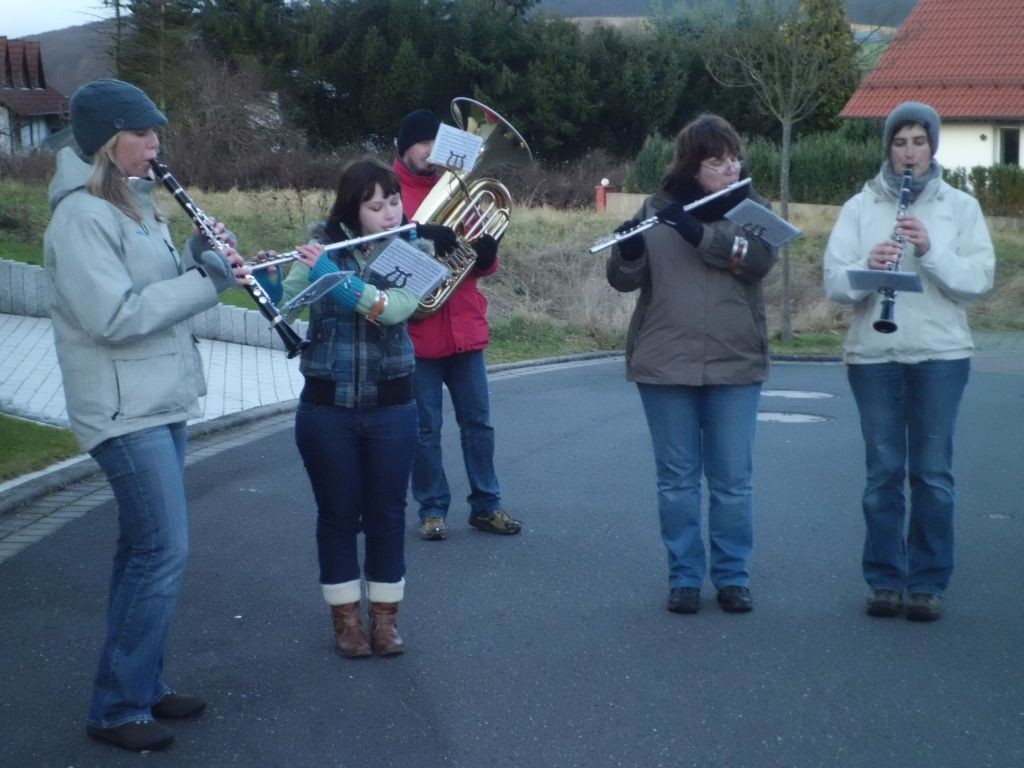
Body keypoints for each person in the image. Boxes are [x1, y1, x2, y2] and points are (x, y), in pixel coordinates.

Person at [43, 79, 250, 752]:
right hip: (122, 408)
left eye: (156, 132)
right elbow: (114, 315)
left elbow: (155, 286)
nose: (156, 144)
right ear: (108, 140)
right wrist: (205, 281)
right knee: (163, 551)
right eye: (142, 133)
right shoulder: (81, 218)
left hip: (157, 396)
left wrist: (197, 256)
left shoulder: (135, 204)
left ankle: (140, 682)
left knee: (142, 551)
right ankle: (117, 707)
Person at [255, 158, 457, 659]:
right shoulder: (322, 242)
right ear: (352, 209)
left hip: (393, 407)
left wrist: (332, 277)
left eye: (394, 201)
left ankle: (385, 620)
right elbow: (288, 306)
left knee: (387, 515)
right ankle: (346, 620)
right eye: (375, 206)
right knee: (338, 515)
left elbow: (394, 310)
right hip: (327, 408)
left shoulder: (413, 249)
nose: (390, 213)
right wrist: (272, 281)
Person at [824, 102, 995, 622]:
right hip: (874, 355)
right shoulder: (860, 207)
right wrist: (869, 266)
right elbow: (834, 283)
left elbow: (979, 280)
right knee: (882, 475)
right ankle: (883, 580)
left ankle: (927, 583)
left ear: (932, 147)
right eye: (900, 143)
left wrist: (931, 250)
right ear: (889, 149)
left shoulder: (960, 206)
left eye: (919, 142)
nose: (909, 153)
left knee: (932, 475)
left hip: (940, 354)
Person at [606, 114, 778, 616]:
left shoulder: (754, 210)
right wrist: (628, 252)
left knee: (732, 481)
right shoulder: (656, 208)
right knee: (677, 480)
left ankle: (733, 577)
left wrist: (698, 233)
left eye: (734, 158)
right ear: (691, 166)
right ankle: (683, 576)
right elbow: (624, 280)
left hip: (735, 361)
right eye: (717, 161)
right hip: (665, 361)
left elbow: (759, 262)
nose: (731, 168)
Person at [392, 108, 523, 541]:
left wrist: (486, 256)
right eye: (422, 143)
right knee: (425, 429)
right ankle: (432, 509)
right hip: (419, 331)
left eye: (436, 143)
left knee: (479, 425)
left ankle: (487, 505)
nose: (430, 152)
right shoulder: (389, 193)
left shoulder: (460, 185)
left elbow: (475, 260)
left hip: (464, 324)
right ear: (405, 147)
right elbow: (381, 256)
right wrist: (421, 236)